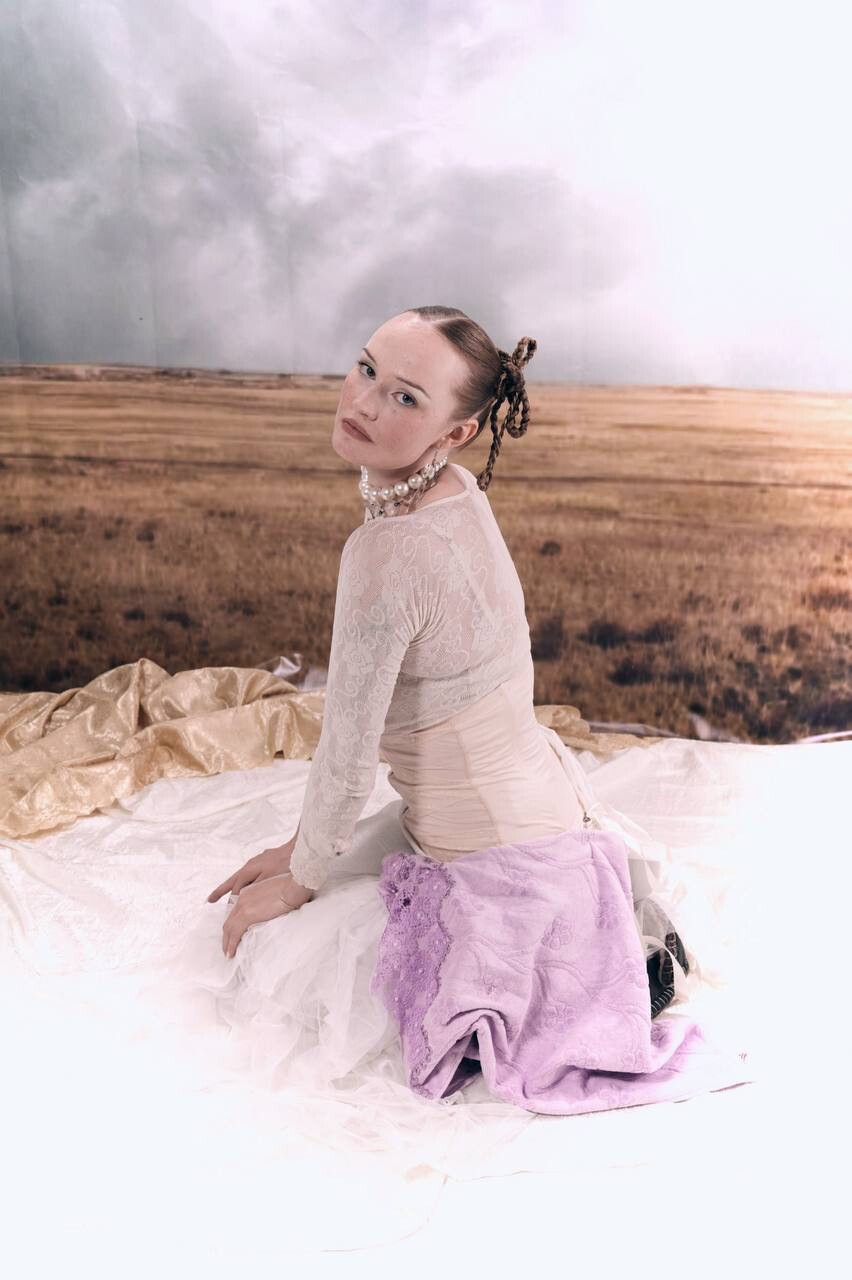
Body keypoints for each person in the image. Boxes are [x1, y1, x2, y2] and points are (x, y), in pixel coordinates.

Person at [189, 306, 745, 1139]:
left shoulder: (385, 554)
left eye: (406, 397)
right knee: (307, 868)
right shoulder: (457, 493)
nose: (364, 402)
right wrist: (307, 848)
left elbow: (348, 749)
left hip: (489, 853)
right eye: (366, 368)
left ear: (457, 432)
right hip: (535, 799)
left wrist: (304, 876)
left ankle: (573, 963)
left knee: (273, 943)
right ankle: (604, 945)